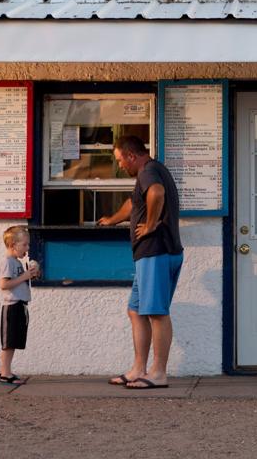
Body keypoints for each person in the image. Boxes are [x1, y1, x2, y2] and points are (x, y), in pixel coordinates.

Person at [98, 134, 184, 390]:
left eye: (120, 160)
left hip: (157, 251)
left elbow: (156, 193)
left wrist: (150, 225)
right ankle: (139, 368)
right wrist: (113, 219)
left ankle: (158, 373)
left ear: (131, 156)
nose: (120, 165)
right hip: (148, 255)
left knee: (156, 313)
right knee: (136, 310)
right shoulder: (150, 172)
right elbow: (132, 204)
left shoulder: (149, 172)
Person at [0, 225, 39, 384]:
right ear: (12, 245)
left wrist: (31, 275)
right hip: (12, 306)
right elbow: (3, 284)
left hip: (19, 305)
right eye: (24, 245)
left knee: (13, 341)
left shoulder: (16, 262)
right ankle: (5, 373)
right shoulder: (8, 262)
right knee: (9, 343)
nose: (27, 248)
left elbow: (18, 281)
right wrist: (25, 276)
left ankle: (3, 369)